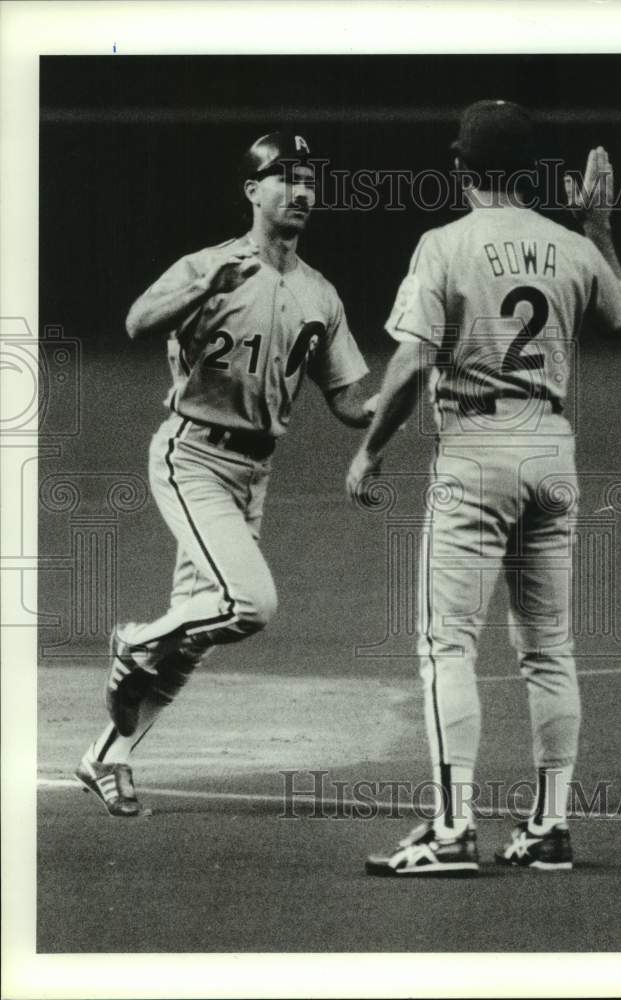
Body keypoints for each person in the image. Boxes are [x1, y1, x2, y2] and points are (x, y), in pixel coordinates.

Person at [347, 100, 621, 875]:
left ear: (463, 167)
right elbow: (620, 312)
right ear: (535, 171)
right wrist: (597, 220)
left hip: (474, 447)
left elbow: (408, 363)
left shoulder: (445, 244)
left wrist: (370, 452)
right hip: (551, 449)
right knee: (548, 649)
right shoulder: (569, 247)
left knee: (447, 643)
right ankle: (550, 826)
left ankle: (450, 830)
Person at [77, 131, 374, 817]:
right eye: (284, 177)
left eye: (309, 179)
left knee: (192, 639)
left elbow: (349, 400)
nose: (301, 191)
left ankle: (105, 756)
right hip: (193, 458)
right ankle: (131, 641)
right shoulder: (208, 264)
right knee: (249, 604)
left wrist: (399, 398)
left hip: (253, 473)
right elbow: (134, 322)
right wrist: (201, 287)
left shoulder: (320, 294)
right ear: (252, 191)